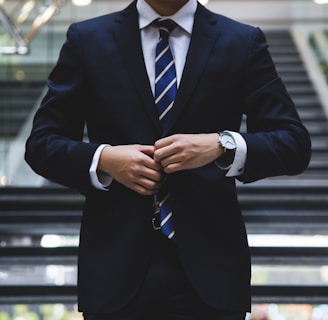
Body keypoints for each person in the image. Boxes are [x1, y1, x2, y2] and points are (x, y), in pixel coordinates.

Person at [25, 0, 311, 319]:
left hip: (212, 272)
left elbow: (293, 143)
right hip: (114, 269)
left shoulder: (241, 41)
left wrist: (221, 144)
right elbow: (41, 144)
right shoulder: (88, 39)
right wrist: (104, 159)